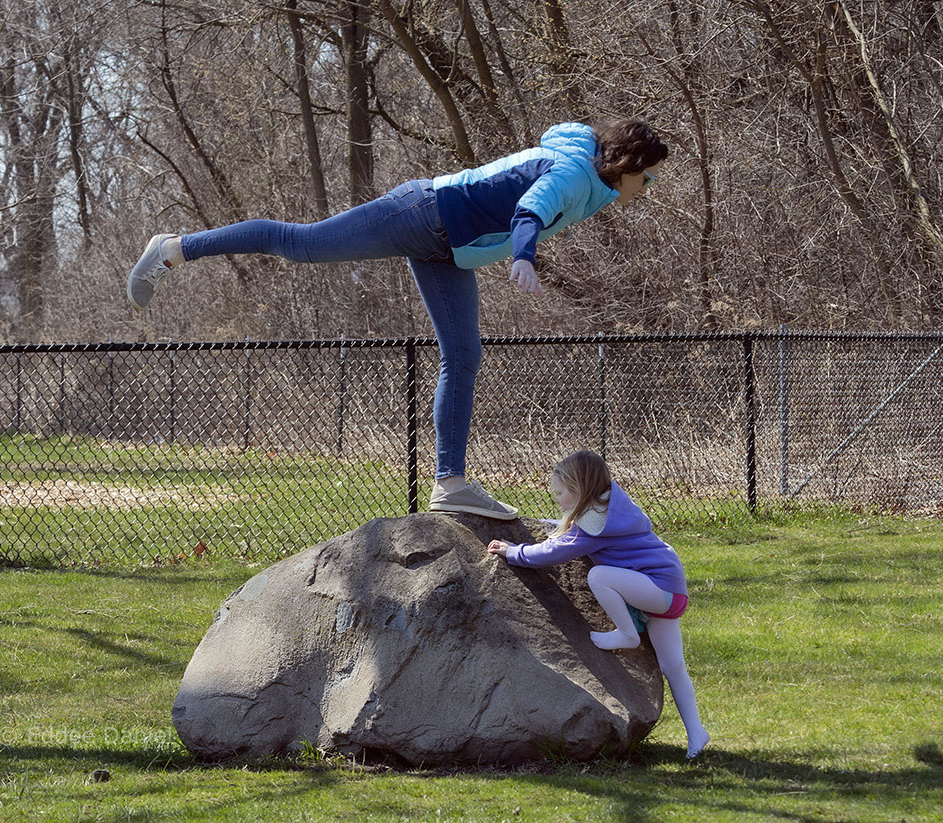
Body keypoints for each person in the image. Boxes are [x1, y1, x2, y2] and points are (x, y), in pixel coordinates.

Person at [127, 121, 667, 520]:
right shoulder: (575, 174)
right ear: (624, 167)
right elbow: (531, 208)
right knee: (303, 241)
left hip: (448, 249)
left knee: (463, 356)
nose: (647, 188)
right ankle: (176, 247)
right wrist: (523, 256)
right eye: (646, 176)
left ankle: (449, 481)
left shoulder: (585, 171)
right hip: (423, 214)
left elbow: (558, 134)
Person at [486, 449, 709, 759]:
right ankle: (696, 733)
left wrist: (514, 552)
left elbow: (553, 552)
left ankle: (626, 634)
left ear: (579, 489)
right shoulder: (609, 508)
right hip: (667, 592)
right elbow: (574, 533)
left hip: (658, 589)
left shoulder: (597, 524)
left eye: (561, 493)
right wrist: (552, 524)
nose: (558, 499)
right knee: (673, 667)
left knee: (600, 575)